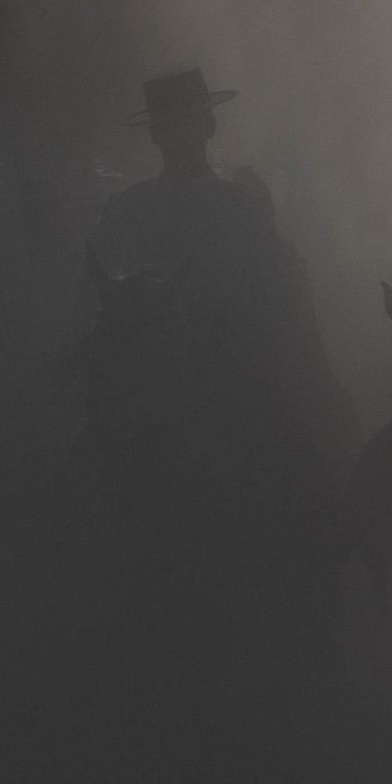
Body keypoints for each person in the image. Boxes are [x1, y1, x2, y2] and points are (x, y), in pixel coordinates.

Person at [84, 66, 350, 645]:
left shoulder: (241, 205)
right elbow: (103, 296)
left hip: (233, 374)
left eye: (187, 124)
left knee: (310, 450)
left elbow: (276, 294)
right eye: (169, 127)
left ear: (206, 127)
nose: (179, 137)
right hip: (153, 379)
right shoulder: (128, 210)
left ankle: (325, 589)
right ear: (157, 135)